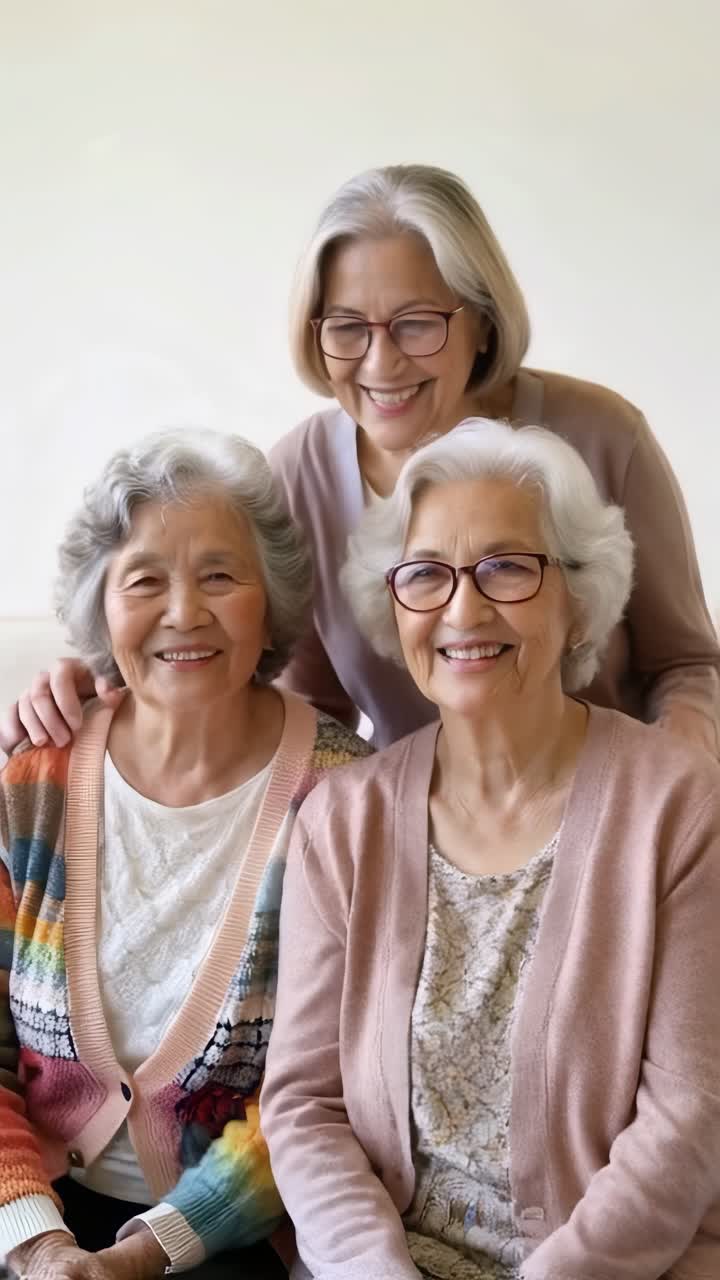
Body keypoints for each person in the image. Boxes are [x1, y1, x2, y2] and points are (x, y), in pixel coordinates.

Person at [2, 164, 718, 753]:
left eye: (417, 324)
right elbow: (297, 698)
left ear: (482, 320)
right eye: (347, 327)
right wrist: (110, 693)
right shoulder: (299, 476)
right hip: (419, 820)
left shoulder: (601, 435)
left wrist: (671, 778)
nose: (381, 363)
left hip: (614, 807)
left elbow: (686, 663)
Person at [261, 420, 720, 1280]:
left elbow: (691, 1115)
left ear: (578, 595)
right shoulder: (342, 819)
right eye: (426, 575)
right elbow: (305, 1104)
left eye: (508, 567)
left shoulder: (679, 805)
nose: (464, 610)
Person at [0, 429, 369, 1280]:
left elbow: (335, 1090)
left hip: (231, 1234)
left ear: (271, 599)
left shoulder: (346, 798)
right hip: (26, 1211)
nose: (183, 613)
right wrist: (39, 1243)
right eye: (145, 581)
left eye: (219, 576)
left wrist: (145, 1254)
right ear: (101, 604)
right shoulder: (34, 780)